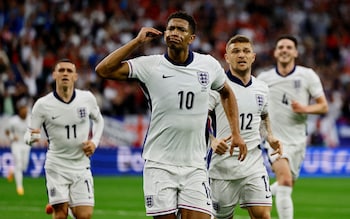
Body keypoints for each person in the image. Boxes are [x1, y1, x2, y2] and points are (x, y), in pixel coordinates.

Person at [95, 11, 247, 219]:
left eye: (181, 29)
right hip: (159, 164)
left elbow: (227, 93)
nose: (174, 32)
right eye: (171, 28)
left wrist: (236, 134)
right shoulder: (150, 65)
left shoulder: (208, 65)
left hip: (195, 164)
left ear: (191, 38)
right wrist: (137, 41)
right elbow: (103, 70)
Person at [207, 35, 282, 219]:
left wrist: (270, 136)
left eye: (246, 51)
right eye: (236, 51)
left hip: (253, 164)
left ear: (253, 57)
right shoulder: (216, 87)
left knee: (263, 215)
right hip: (222, 166)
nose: (241, 55)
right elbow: (198, 119)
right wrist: (212, 140)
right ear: (226, 57)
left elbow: (263, 117)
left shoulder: (262, 88)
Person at [257, 35, 329, 219]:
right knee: (285, 180)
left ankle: (256, 196)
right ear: (275, 52)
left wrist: (305, 108)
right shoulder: (264, 78)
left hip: (298, 139)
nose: (284, 50)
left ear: (295, 52)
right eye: (280, 47)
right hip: (274, 139)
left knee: (285, 186)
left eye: (289, 47)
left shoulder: (307, 75)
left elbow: (323, 106)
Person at [24, 58, 104, 219]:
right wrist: (32, 138)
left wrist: (94, 142)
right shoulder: (42, 105)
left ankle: (65, 204)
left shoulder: (87, 98)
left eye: (69, 71)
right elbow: (29, 134)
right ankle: (61, 205)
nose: (65, 73)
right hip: (56, 166)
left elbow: (99, 120)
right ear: (54, 75)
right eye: (61, 70)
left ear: (75, 76)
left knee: (84, 215)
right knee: (60, 215)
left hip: (81, 165)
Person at [4, 100, 31, 195]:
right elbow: (7, 131)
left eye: (26, 109)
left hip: (26, 145)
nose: (24, 111)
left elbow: (34, 130)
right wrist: (12, 137)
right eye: (22, 109)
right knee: (18, 164)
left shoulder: (30, 119)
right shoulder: (13, 120)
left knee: (24, 166)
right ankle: (19, 187)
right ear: (19, 110)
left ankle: (12, 171)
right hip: (16, 145)